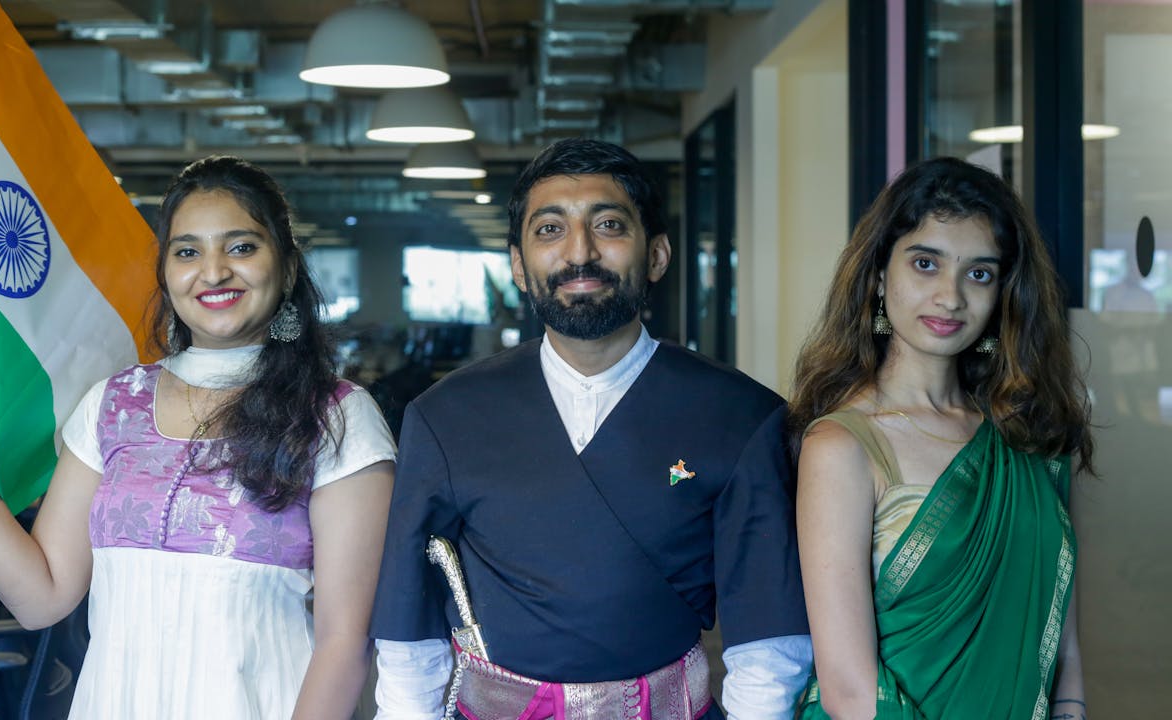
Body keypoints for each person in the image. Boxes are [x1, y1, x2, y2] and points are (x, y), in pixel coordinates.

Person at [0, 156, 396, 719]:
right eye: (187, 252)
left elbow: (345, 642)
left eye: (241, 247)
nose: (212, 272)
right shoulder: (110, 406)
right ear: (165, 272)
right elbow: (43, 598)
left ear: (286, 267)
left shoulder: (337, 416)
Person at [370, 138, 811, 720]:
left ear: (656, 255)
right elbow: (410, 623)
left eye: (608, 225)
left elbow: (768, 638)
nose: (580, 252)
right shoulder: (445, 414)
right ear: (518, 266)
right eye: (549, 230)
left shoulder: (741, 415)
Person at [787, 157, 1092, 719]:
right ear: (880, 275)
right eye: (926, 264)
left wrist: (1071, 709)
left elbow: (1059, 634)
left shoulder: (1028, 437)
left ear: (1004, 291)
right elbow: (849, 689)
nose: (951, 297)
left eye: (979, 273)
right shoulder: (843, 446)